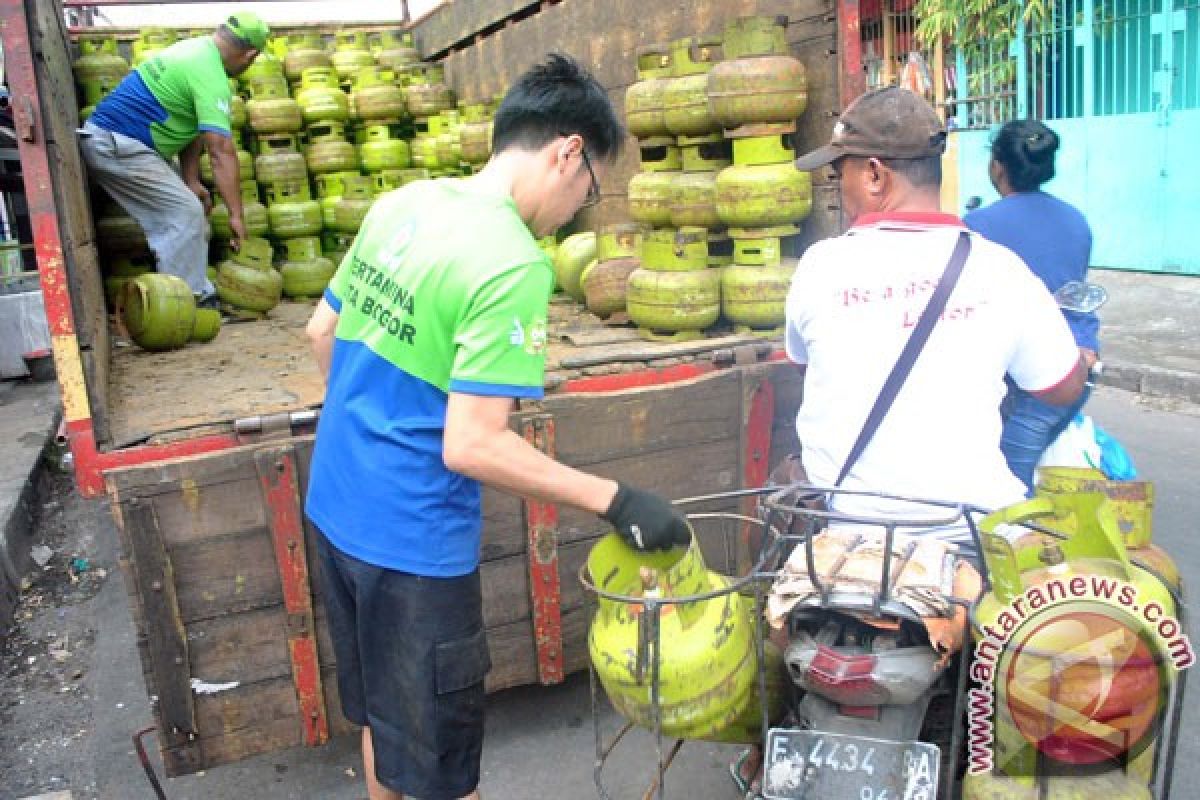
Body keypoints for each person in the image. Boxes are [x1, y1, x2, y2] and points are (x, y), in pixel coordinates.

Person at [303, 54, 690, 800]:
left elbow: (323, 332)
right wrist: (615, 499)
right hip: (413, 547)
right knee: (446, 777)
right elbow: (472, 443)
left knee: (384, 723)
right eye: (590, 189)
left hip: (335, 508)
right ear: (567, 151)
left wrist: (376, 427)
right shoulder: (513, 261)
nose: (578, 208)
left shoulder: (403, 202)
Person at [728, 87, 1089, 796]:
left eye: (839, 172)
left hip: (845, 537)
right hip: (962, 538)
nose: (837, 187)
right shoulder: (1000, 271)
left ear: (875, 175)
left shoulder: (821, 269)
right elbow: (1061, 388)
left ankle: (768, 745)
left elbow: (804, 359)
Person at [79, 13, 269, 306]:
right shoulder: (210, 75)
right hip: (117, 144)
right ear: (250, 55)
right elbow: (221, 151)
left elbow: (192, 127)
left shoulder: (195, 49)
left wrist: (191, 180)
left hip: (122, 142)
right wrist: (236, 216)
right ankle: (184, 304)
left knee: (191, 206)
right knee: (183, 215)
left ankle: (189, 291)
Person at [964, 119, 1099, 493]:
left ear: (998, 166)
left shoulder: (978, 226)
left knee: (1006, 488)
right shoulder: (1076, 221)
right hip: (1077, 366)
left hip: (1025, 374)